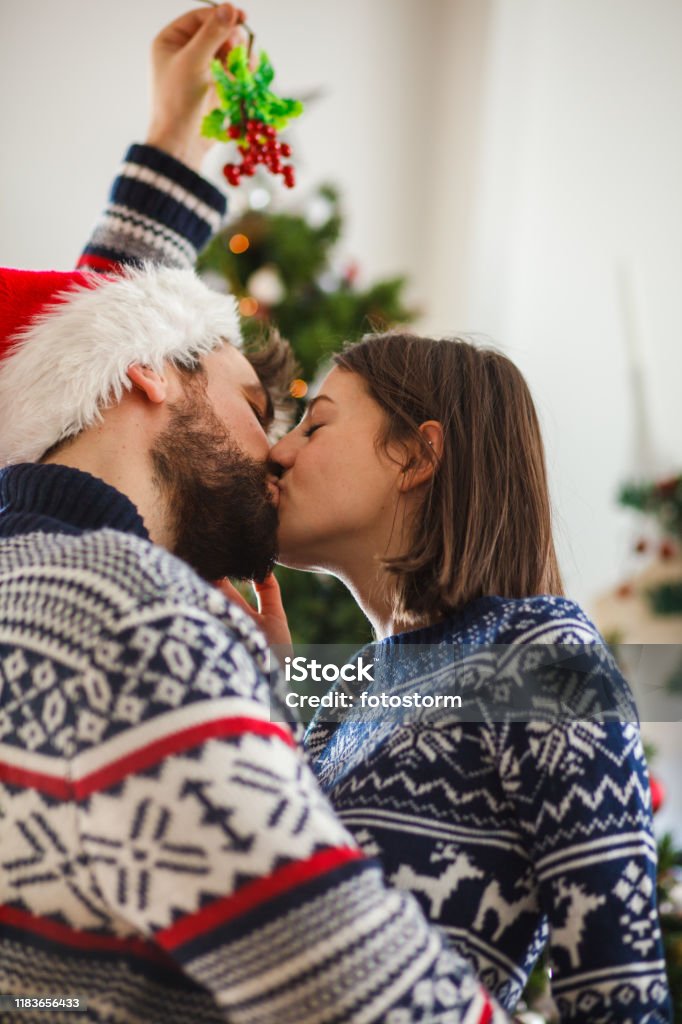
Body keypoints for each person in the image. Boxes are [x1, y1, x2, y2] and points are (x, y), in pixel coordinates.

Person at [71, 5, 670, 1021]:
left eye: (317, 419)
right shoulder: (360, 691)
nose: (279, 447)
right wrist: (261, 702)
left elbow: (622, 999)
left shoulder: (544, 661)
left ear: (418, 455)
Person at [0, 262, 507, 1024]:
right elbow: (357, 987)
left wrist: (253, 691)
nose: (274, 453)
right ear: (153, 374)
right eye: (255, 406)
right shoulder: (125, 608)